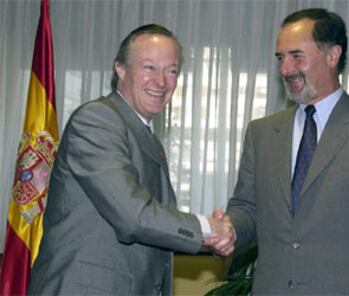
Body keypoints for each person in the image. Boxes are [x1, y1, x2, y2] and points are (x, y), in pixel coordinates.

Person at [214, 8, 349, 295]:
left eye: (297, 56)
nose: (285, 69)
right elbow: (247, 208)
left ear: (332, 56)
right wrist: (229, 229)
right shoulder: (261, 133)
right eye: (280, 58)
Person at [27, 24, 235, 295]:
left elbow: (152, 226)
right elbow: (134, 216)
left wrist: (214, 236)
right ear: (120, 69)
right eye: (149, 67)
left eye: (171, 71)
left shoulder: (146, 137)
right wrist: (208, 227)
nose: (161, 82)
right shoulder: (97, 121)